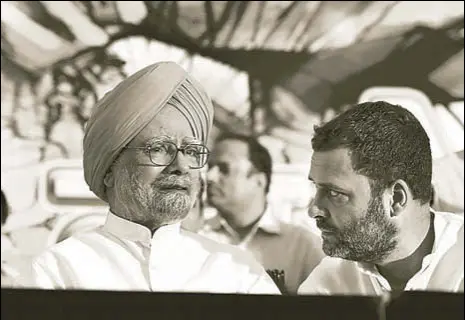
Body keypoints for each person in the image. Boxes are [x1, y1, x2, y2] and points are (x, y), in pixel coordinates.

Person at [25, 61, 280, 294]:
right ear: (110, 169)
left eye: (191, 152)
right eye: (158, 149)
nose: (180, 166)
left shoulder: (238, 274)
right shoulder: (56, 272)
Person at [298, 101, 464, 298]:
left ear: (396, 199)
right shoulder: (330, 281)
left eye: (335, 193)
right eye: (316, 187)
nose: (313, 210)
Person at [199, 133, 325, 294]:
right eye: (210, 167)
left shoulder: (304, 247)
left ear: (259, 181)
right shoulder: (195, 237)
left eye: (224, 169)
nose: (210, 177)